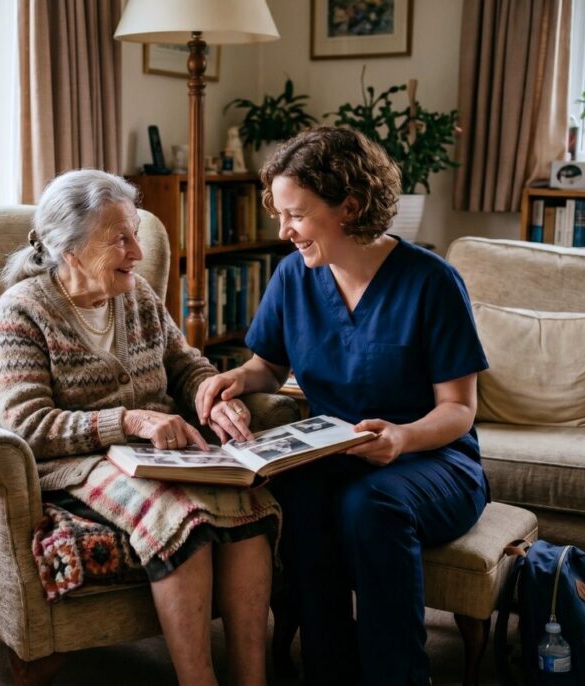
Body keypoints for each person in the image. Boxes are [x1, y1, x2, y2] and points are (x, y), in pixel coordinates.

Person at [195, 127, 489, 685]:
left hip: (436, 461)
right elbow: (269, 367)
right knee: (299, 498)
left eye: (297, 215)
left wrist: (401, 438)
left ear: (349, 206)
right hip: (335, 456)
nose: (283, 232)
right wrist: (233, 378)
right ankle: (328, 670)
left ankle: (397, 677)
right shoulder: (294, 278)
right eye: (281, 214)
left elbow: (458, 409)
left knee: (370, 507)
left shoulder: (433, 283)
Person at [0, 169, 276, 685]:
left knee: (250, 508)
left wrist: (212, 397)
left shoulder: (136, 293)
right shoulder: (24, 310)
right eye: (120, 239)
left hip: (157, 453)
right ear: (70, 249)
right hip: (77, 466)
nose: (137, 253)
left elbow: (184, 364)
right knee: (182, 519)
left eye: (135, 235)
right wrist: (129, 420)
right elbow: (26, 426)